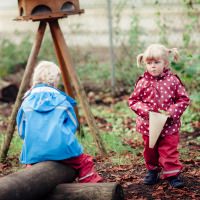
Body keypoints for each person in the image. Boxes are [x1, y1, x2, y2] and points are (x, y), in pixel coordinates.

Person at [16, 60, 103, 183]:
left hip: (34, 153)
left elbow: (21, 131)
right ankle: (90, 182)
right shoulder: (62, 101)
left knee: (30, 167)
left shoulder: (26, 103)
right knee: (84, 162)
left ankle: (31, 175)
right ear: (55, 80)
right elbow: (73, 126)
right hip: (62, 150)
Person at [128, 44, 190, 188]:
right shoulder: (142, 82)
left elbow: (183, 99)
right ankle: (152, 170)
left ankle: (172, 173)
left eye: (157, 62)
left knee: (169, 149)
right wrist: (147, 111)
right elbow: (134, 101)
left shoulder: (173, 81)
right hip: (148, 125)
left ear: (165, 63)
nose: (153, 67)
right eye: (149, 63)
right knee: (151, 149)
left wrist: (172, 112)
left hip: (169, 125)